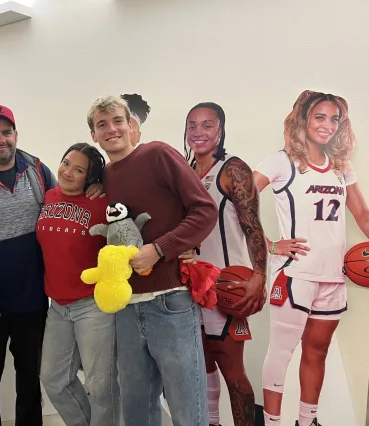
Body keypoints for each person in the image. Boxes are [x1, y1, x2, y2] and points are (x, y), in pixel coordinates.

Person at [0, 104, 103, 426]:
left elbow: (67, 199)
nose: (0, 140)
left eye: (6, 132)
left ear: (16, 135)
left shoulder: (38, 171)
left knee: (31, 382)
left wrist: (96, 187)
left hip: (33, 305)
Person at [87, 95, 218, 426]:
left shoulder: (158, 154)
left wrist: (161, 248)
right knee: (137, 409)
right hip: (127, 306)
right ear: (94, 135)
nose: (111, 129)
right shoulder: (106, 178)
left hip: (170, 301)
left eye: (118, 121)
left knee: (187, 408)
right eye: (102, 124)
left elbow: (204, 210)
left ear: (132, 126)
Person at [253, 90, 369, 426]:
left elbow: (363, 214)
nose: (327, 125)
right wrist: (271, 245)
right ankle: (273, 422)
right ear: (303, 119)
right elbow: (238, 201)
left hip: (334, 275)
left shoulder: (340, 166)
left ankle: (306, 421)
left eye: (334, 118)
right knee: (281, 351)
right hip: (296, 274)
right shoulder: (281, 161)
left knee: (316, 351)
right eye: (319, 117)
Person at [184, 102, 268, 426]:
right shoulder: (185, 170)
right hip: (191, 286)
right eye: (193, 125)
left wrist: (260, 274)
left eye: (207, 125)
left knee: (232, 370)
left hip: (226, 286)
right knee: (201, 364)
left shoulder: (233, 170)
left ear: (220, 129)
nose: (199, 132)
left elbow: (253, 227)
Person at [37, 142, 120, 426]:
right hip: (57, 307)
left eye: (79, 169)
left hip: (93, 306)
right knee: (53, 379)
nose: (68, 172)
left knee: (101, 386)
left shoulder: (102, 202)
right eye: (66, 163)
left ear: (91, 177)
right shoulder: (47, 196)